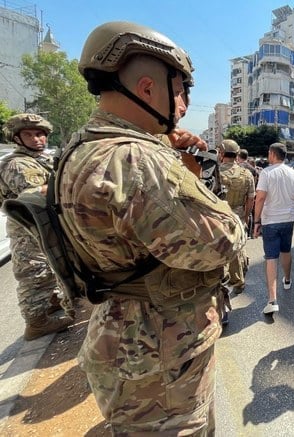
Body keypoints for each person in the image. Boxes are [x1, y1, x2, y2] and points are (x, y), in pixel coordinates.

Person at [59, 22, 245, 434]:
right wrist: (198, 183)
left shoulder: (82, 145)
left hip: (129, 341)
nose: (182, 105)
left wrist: (169, 149)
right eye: (179, 90)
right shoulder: (138, 161)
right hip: (159, 358)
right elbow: (221, 240)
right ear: (147, 89)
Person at [0, 113, 74, 341]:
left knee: (50, 267)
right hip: (27, 228)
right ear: (17, 138)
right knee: (34, 272)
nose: (37, 139)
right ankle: (36, 324)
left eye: (40, 134)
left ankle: (50, 304)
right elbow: (37, 193)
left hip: (41, 225)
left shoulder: (38, 160)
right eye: (29, 135)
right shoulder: (17, 163)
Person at [254, 142, 294, 315]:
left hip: (270, 220)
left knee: (271, 257)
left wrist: (256, 222)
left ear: (271, 154)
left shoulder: (266, 173)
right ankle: (288, 279)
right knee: (286, 251)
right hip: (288, 219)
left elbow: (260, 198)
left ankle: (272, 300)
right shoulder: (293, 173)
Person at [218, 139, 255, 296]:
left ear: (221, 153)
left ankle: (222, 281)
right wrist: (246, 216)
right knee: (238, 247)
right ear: (237, 154)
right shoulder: (246, 174)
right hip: (238, 215)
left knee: (220, 249)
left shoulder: (215, 172)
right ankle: (239, 279)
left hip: (219, 215)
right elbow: (251, 198)